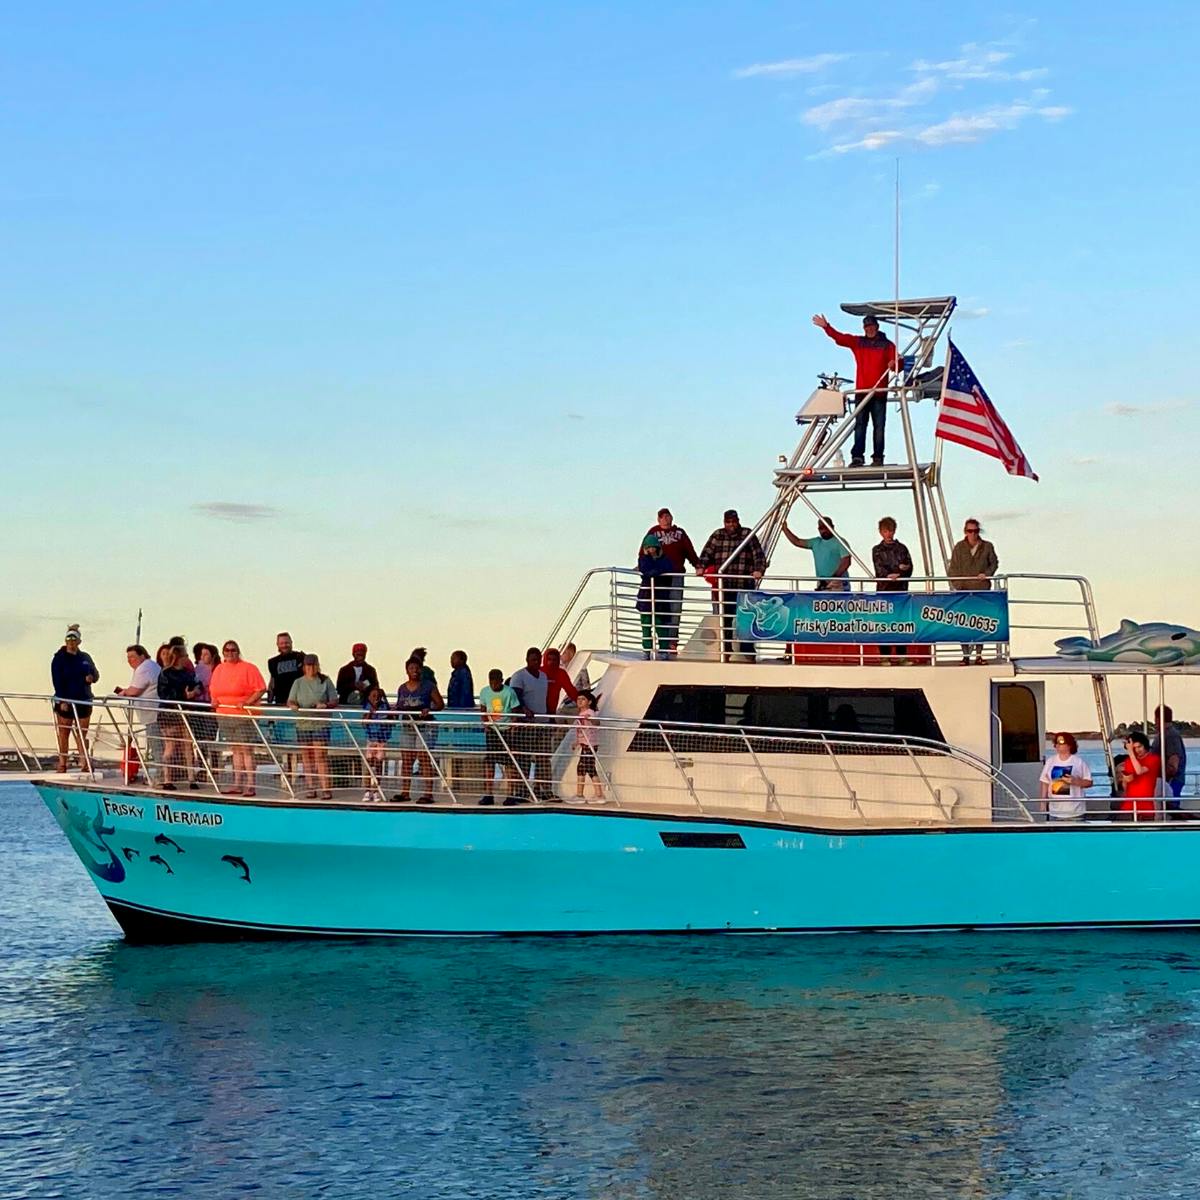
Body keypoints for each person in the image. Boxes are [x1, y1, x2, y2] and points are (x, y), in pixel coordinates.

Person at [812, 312, 902, 467]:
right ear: (864, 328)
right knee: (860, 425)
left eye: (872, 326)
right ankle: (857, 457)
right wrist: (826, 327)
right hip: (862, 392)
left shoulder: (887, 345)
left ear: (877, 327)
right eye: (867, 327)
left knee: (879, 427)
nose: (869, 329)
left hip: (879, 392)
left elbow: (898, 364)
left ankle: (878, 457)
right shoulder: (858, 342)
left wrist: (894, 364)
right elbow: (840, 338)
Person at [698, 509, 767, 658]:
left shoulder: (748, 534)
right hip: (725, 585)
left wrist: (759, 570)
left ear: (738, 521)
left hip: (744, 584)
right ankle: (726, 647)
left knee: (747, 617)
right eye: (728, 522)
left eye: (734, 522)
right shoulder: (717, 535)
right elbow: (706, 554)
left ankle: (747, 648)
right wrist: (700, 567)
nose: (731, 525)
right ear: (724, 522)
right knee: (725, 617)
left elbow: (759, 555)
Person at [209, 640, 267, 796]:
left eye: (233, 650)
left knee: (246, 749)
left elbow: (261, 688)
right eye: (226, 650)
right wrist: (214, 700)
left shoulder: (248, 668)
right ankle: (237, 783)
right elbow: (213, 689)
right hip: (224, 714)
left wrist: (247, 702)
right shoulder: (219, 669)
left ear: (238, 651)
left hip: (243, 716)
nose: (230, 653)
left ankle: (250, 784)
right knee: (235, 749)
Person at [644, 508, 700, 655]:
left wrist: (698, 565)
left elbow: (689, 551)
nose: (666, 519)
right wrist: (644, 566)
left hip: (675, 574)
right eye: (662, 517)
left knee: (675, 608)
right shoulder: (653, 532)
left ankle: (672, 641)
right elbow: (644, 550)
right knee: (659, 608)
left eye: (668, 516)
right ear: (658, 519)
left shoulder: (680, 533)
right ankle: (659, 642)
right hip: (658, 577)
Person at [947, 518, 999, 665]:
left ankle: (979, 655)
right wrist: (958, 584)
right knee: (963, 624)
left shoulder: (987, 546)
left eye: (975, 531)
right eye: (970, 531)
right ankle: (965, 655)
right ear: (965, 532)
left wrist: (987, 574)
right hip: (963, 593)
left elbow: (994, 563)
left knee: (980, 623)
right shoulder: (959, 547)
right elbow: (952, 569)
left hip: (981, 591)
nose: (973, 534)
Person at [393, 657, 445, 803]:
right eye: (411, 668)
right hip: (408, 726)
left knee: (424, 759)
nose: (414, 671)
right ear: (407, 670)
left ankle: (428, 793)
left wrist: (429, 709)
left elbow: (440, 704)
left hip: (424, 727)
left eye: (417, 668)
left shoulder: (428, 686)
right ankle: (405, 792)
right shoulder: (402, 688)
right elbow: (400, 705)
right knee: (407, 759)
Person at [288, 654, 339, 800]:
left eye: (313, 665)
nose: (311, 668)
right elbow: (291, 700)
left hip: (320, 724)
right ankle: (311, 788)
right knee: (306, 757)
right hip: (303, 724)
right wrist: (293, 705)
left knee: (320, 756)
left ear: (317, 665)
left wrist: (325, 705)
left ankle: (325, 789)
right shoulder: (298, 682)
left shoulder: (325, 681)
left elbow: (334, 700)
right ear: (304, 667)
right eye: (308, 665)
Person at [50, 625, 99, 772]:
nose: (71, 641)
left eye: (74, 639)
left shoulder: (85, 657)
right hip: (66, 700)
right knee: (64, 733)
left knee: (82, 733)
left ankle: (84, 763)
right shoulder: (59, 659)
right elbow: (57, 680)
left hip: (83, 699)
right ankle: (62, 763)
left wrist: (92, 677)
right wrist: (63, 700)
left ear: (79, 641)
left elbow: (96, 674)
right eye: (69, 639)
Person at [509, 646, 551, 801]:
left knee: (543, 757)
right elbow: (515, 698)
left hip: (542, 722)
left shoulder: (543, 676)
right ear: (527, 660)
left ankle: (543, 789)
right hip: (526, 724)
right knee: (524, 758)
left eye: (538, 660)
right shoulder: (519, 676)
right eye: (533, 660)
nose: (536, 662)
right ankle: (522, 790)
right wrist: (524, 710)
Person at [156, 646, 201, 789]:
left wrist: (196, 691)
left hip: (185, 713)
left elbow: (196, 684)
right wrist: (184, 695)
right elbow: (164, 694)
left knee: (188, 745)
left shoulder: (187, 673)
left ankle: (191, 777)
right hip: (170, 714)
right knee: (170, 746)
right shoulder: (166, 673)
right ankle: (167, 778)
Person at [872, 516, 914, 663]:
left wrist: (899, 572)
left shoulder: (902, 548)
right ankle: (885, 656)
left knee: (901, 624)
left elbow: (909, 567)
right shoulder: (877, 550)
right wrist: (897, 570)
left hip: (901, 591)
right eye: (885, 531)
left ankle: (902, 655)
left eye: (890, 530)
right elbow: (879, 570)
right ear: (880, 532)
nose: (888, 534)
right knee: (884, 624)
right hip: (884, 592)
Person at [478, 668, 521, 806]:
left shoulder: (509, 692)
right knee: (490, 762)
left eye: (497, 681)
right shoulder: (485, 692)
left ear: (501, 681)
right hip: (492, 730)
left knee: (509, 763)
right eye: (492, 682)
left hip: (506, 730)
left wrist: (513, 725)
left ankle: (510, 794)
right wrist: (485, 723)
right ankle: (489, 794)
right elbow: (483, 708)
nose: (494, 684)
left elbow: (515, 709)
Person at [782, 515, 851, 592]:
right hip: (821, 583)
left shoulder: (840, 542)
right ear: (818, 529)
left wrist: (832, 579)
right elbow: (797, 541)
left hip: (838, 583)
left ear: (832, 527)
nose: (824, 530)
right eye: (821, 528)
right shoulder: (815, 542)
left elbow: (846, 562)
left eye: (826, 527)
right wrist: (785, 529)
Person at [637, 533, 676, 660]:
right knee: (646, 625)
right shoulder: (643, 559)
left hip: (660, 597)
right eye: (648, 548)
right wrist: (653, 571)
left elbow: (666, 569)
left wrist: (653, 573)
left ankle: (663, 650)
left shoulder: (665, 559)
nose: (650, 550)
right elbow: (645, 569)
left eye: (652, 547)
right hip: (647, 597)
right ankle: (647, 650)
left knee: (661, 625)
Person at [1038, 732, 1093, 821]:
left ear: (1069, 745)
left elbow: (1089, 782)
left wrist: (1075, 781)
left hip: (1075, 811)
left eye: (1061, 742)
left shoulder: (1078, 762)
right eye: (1056, 742)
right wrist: (1043, 802)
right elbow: (1044, 782)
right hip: (1055, 811)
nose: (1058, 745)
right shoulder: (1050, 761)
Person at [189, 642, 220, 777]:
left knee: (211, 737)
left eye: (206, 654)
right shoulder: (198, 669)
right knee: (200, 738)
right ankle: (201, 768)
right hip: (198, 706)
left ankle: (215, 767)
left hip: (211, 706)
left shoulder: (218, 669)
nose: (203, 657)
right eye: (202, 654)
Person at [361, 685, 393, 802]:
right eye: (373, 696)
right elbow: (363, 723)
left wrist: (389, 712)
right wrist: (370, 713)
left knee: (378, 765)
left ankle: (376, 790)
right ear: (369, 697)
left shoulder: (384, 707)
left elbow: (390, 720)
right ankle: (367, 790)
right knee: (368, 765)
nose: (376, 698)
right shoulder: (366, 707)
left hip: (381, 741)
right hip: (370, 740)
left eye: (379, 696)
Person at [1151, 705, 1188, 808]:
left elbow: (1173, 765)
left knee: (1170, 810)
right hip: (1166, 781)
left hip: (1171, 782)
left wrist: (1163, 779)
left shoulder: (1170, 735)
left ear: (1158, 719)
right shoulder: (1163, 734)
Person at [1119, 732, 1161, 820]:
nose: (1137, 750)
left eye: (1139, 747)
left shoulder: (1153, 759)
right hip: (1129, 806)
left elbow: (1139, 771)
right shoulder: (1128, 761)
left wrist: (1130, 752)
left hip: (1146, 807)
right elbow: (1125, 786)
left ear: (1145, 745)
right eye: (1134, 748)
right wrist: (1125, 780)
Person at [573, 690, 604, 802]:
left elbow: (597, 723)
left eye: (583, 699)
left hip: (589, 744)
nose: (580, 701)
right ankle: (591, 794)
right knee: (586, 768)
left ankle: (587, 795)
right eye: (578, 699)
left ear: (589, 702)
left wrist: (590, 719)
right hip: (585, 744)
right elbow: (580, 730)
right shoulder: (581, 714)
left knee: (585, 768)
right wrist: (577, 742)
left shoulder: (589, 712)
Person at [267, 632, 306, 706]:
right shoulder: (272, 662)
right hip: (281, 701)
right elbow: (272, 681)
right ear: (277, 644)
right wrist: (270, 700)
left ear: (291, 643)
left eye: (286, 643)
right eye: (281, 643)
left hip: (300, 702)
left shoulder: (301, 657)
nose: (284, 645)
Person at [541, 646, 579, 712]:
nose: (551, 662)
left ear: (558, 660)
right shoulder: (538, 671)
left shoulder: (561, 673)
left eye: (554, 660)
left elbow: (571, 691)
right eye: (549, 659)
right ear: (545, 659)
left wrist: (584, 703)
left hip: (551, 711)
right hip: (535, 711)